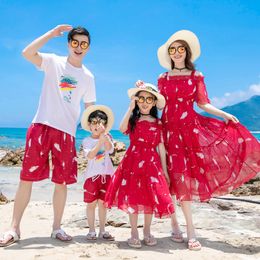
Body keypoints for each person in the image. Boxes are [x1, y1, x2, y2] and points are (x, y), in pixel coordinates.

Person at [155, 29, 260, 250]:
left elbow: (202, 104)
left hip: (189, 132)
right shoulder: (162, 79)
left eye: (180, 49)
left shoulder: (196, 76)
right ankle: (175, 226)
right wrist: (143, 89)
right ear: (169, 53)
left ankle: (191, 231)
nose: (176, 53)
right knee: (168, 178)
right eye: (172, 50)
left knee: (183, 180)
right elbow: (159, 104)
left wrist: (223, 114)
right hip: (166, 131)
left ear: (187, 52)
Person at [0, 25, 96, 246]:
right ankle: (13, 228)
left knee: (61, 182)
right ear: (68, 44)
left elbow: (91, 109)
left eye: (83, 44)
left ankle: (56, 227)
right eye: (75, 43)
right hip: (41, 126)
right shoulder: (54, 62)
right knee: (26, 178)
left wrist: (98, 135)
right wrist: (50, 34)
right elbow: (27, 53)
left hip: (67, 133)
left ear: (88, 48)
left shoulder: (88, 76)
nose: (79, 47)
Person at [105, 82, 175, 248]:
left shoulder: (158, 123)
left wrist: (164, 171)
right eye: (141, 98)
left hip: (152, 163)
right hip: (133, 161)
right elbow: (122, 129)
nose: (145, 102)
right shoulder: (134, 120)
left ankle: (147, 231)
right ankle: (134, 232)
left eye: (149, 99)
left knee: (150, 197)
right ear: (137, 101)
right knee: (133, 196)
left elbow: (161, 145)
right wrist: (130, 108)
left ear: (153, 103)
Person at [80, 105, 115, 241]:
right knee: (91, 204)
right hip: (91, 177)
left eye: (100, 122)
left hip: (106, 176)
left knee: (103, 204)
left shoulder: (107, 137)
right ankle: (91, 230)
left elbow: (110, 150)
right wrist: (99, 141)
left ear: (105, 125)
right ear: (89, 125)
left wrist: (104, 138)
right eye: (94, 122)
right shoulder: (87, 141)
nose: (97, 125)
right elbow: (90, 156)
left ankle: (102, 230)